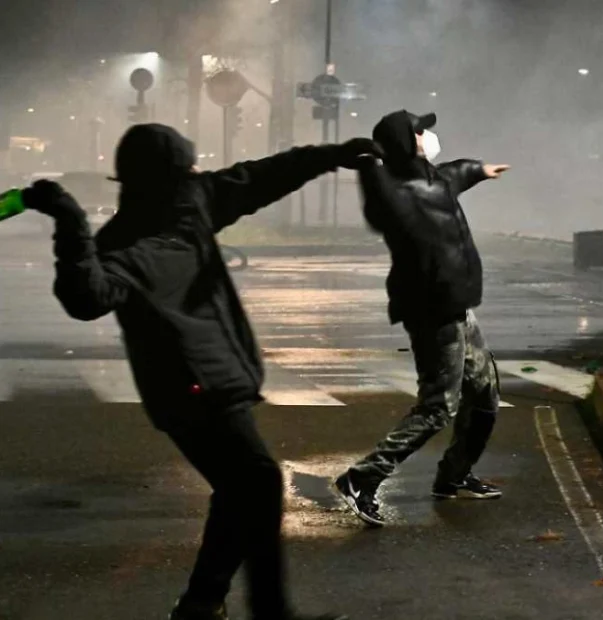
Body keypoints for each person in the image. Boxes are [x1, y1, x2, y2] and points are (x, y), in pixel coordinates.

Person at [22, 123, 378, 620]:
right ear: (167, 175)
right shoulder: (124, 242)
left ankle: (201, 603)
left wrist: (333, 154)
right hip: (187, 393)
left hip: (222, 382)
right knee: (256, 483)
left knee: (240, 493)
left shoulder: (194, 203)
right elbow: (85, 298)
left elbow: (263, 176)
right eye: (187, 166)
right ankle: (266, 611)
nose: (197, 171)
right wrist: (70, 222)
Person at [333, 110, 510, 527]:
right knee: (438, 407)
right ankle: (361, 479)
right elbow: (378, 205)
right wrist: (366, 165)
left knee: (484, 395)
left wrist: (480, 170)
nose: (428, 135)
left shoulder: (434, 179)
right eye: (419, 130)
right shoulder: (396, 194)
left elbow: (455, 173)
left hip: (459, 307)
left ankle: (453, 475)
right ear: (405, 142)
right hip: (432, 312)